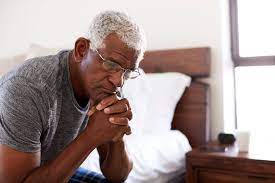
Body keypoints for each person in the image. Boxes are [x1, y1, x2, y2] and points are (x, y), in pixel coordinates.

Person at [0, 10, 146, 183]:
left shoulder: (106, 85)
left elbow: (117, 176)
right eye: (111, 64)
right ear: (81, 50)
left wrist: (117, 135)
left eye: (128, 73)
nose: (119, 82)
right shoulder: (28, 87)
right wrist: (92, 136)